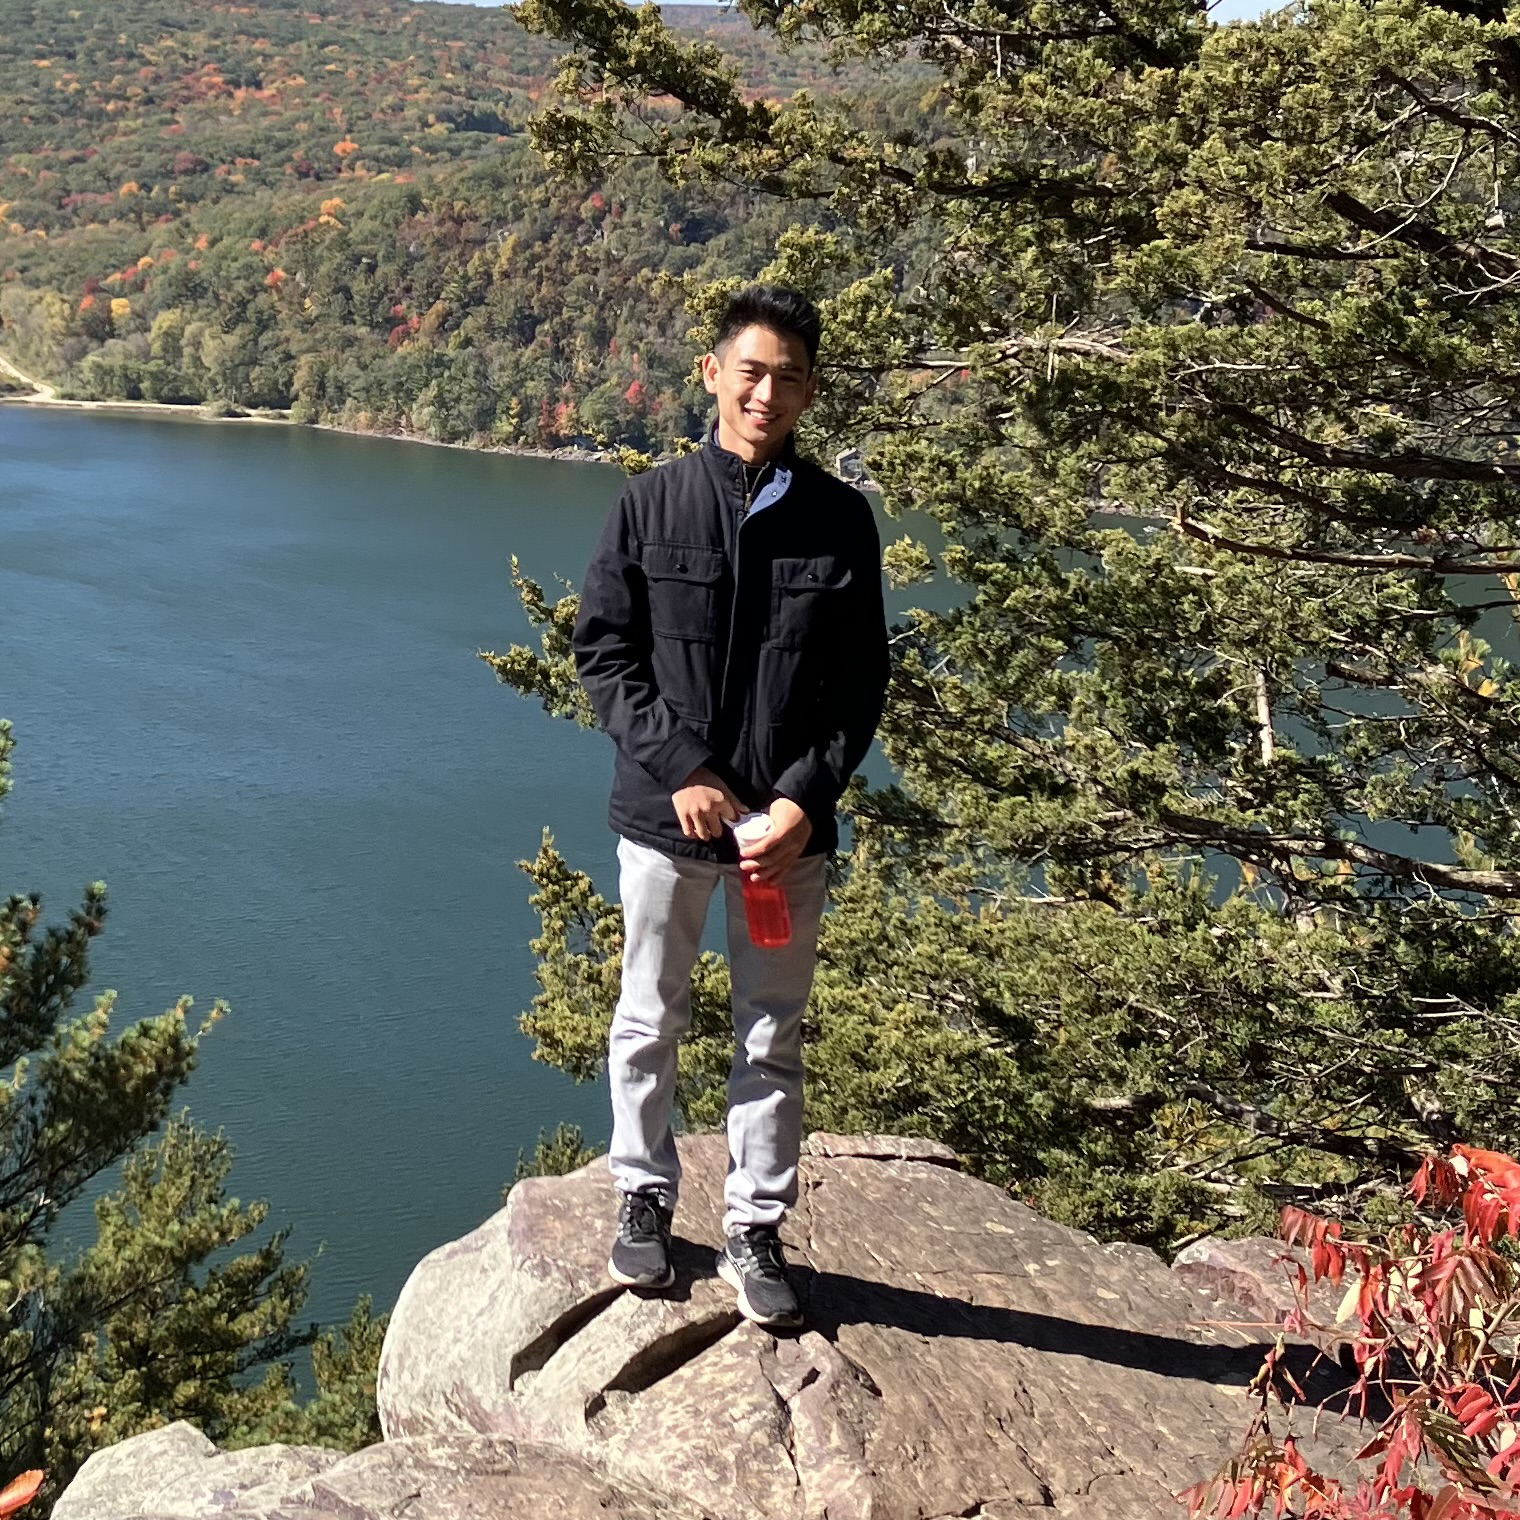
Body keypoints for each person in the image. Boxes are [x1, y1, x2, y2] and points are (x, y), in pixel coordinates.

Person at [571, 285, 890, 1329]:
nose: (767, 393)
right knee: (646, 1016)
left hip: (781, 843)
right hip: (667, 823)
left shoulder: (840, 521)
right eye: (750, 371)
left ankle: (755, 1225)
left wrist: (802, 798)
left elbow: (859, 686)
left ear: (808, 392)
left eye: (788, 377)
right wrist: (683, 769)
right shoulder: (649, 504)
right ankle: (643, 1193)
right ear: (712, 374)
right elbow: (605, 655)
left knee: (770, 1035)